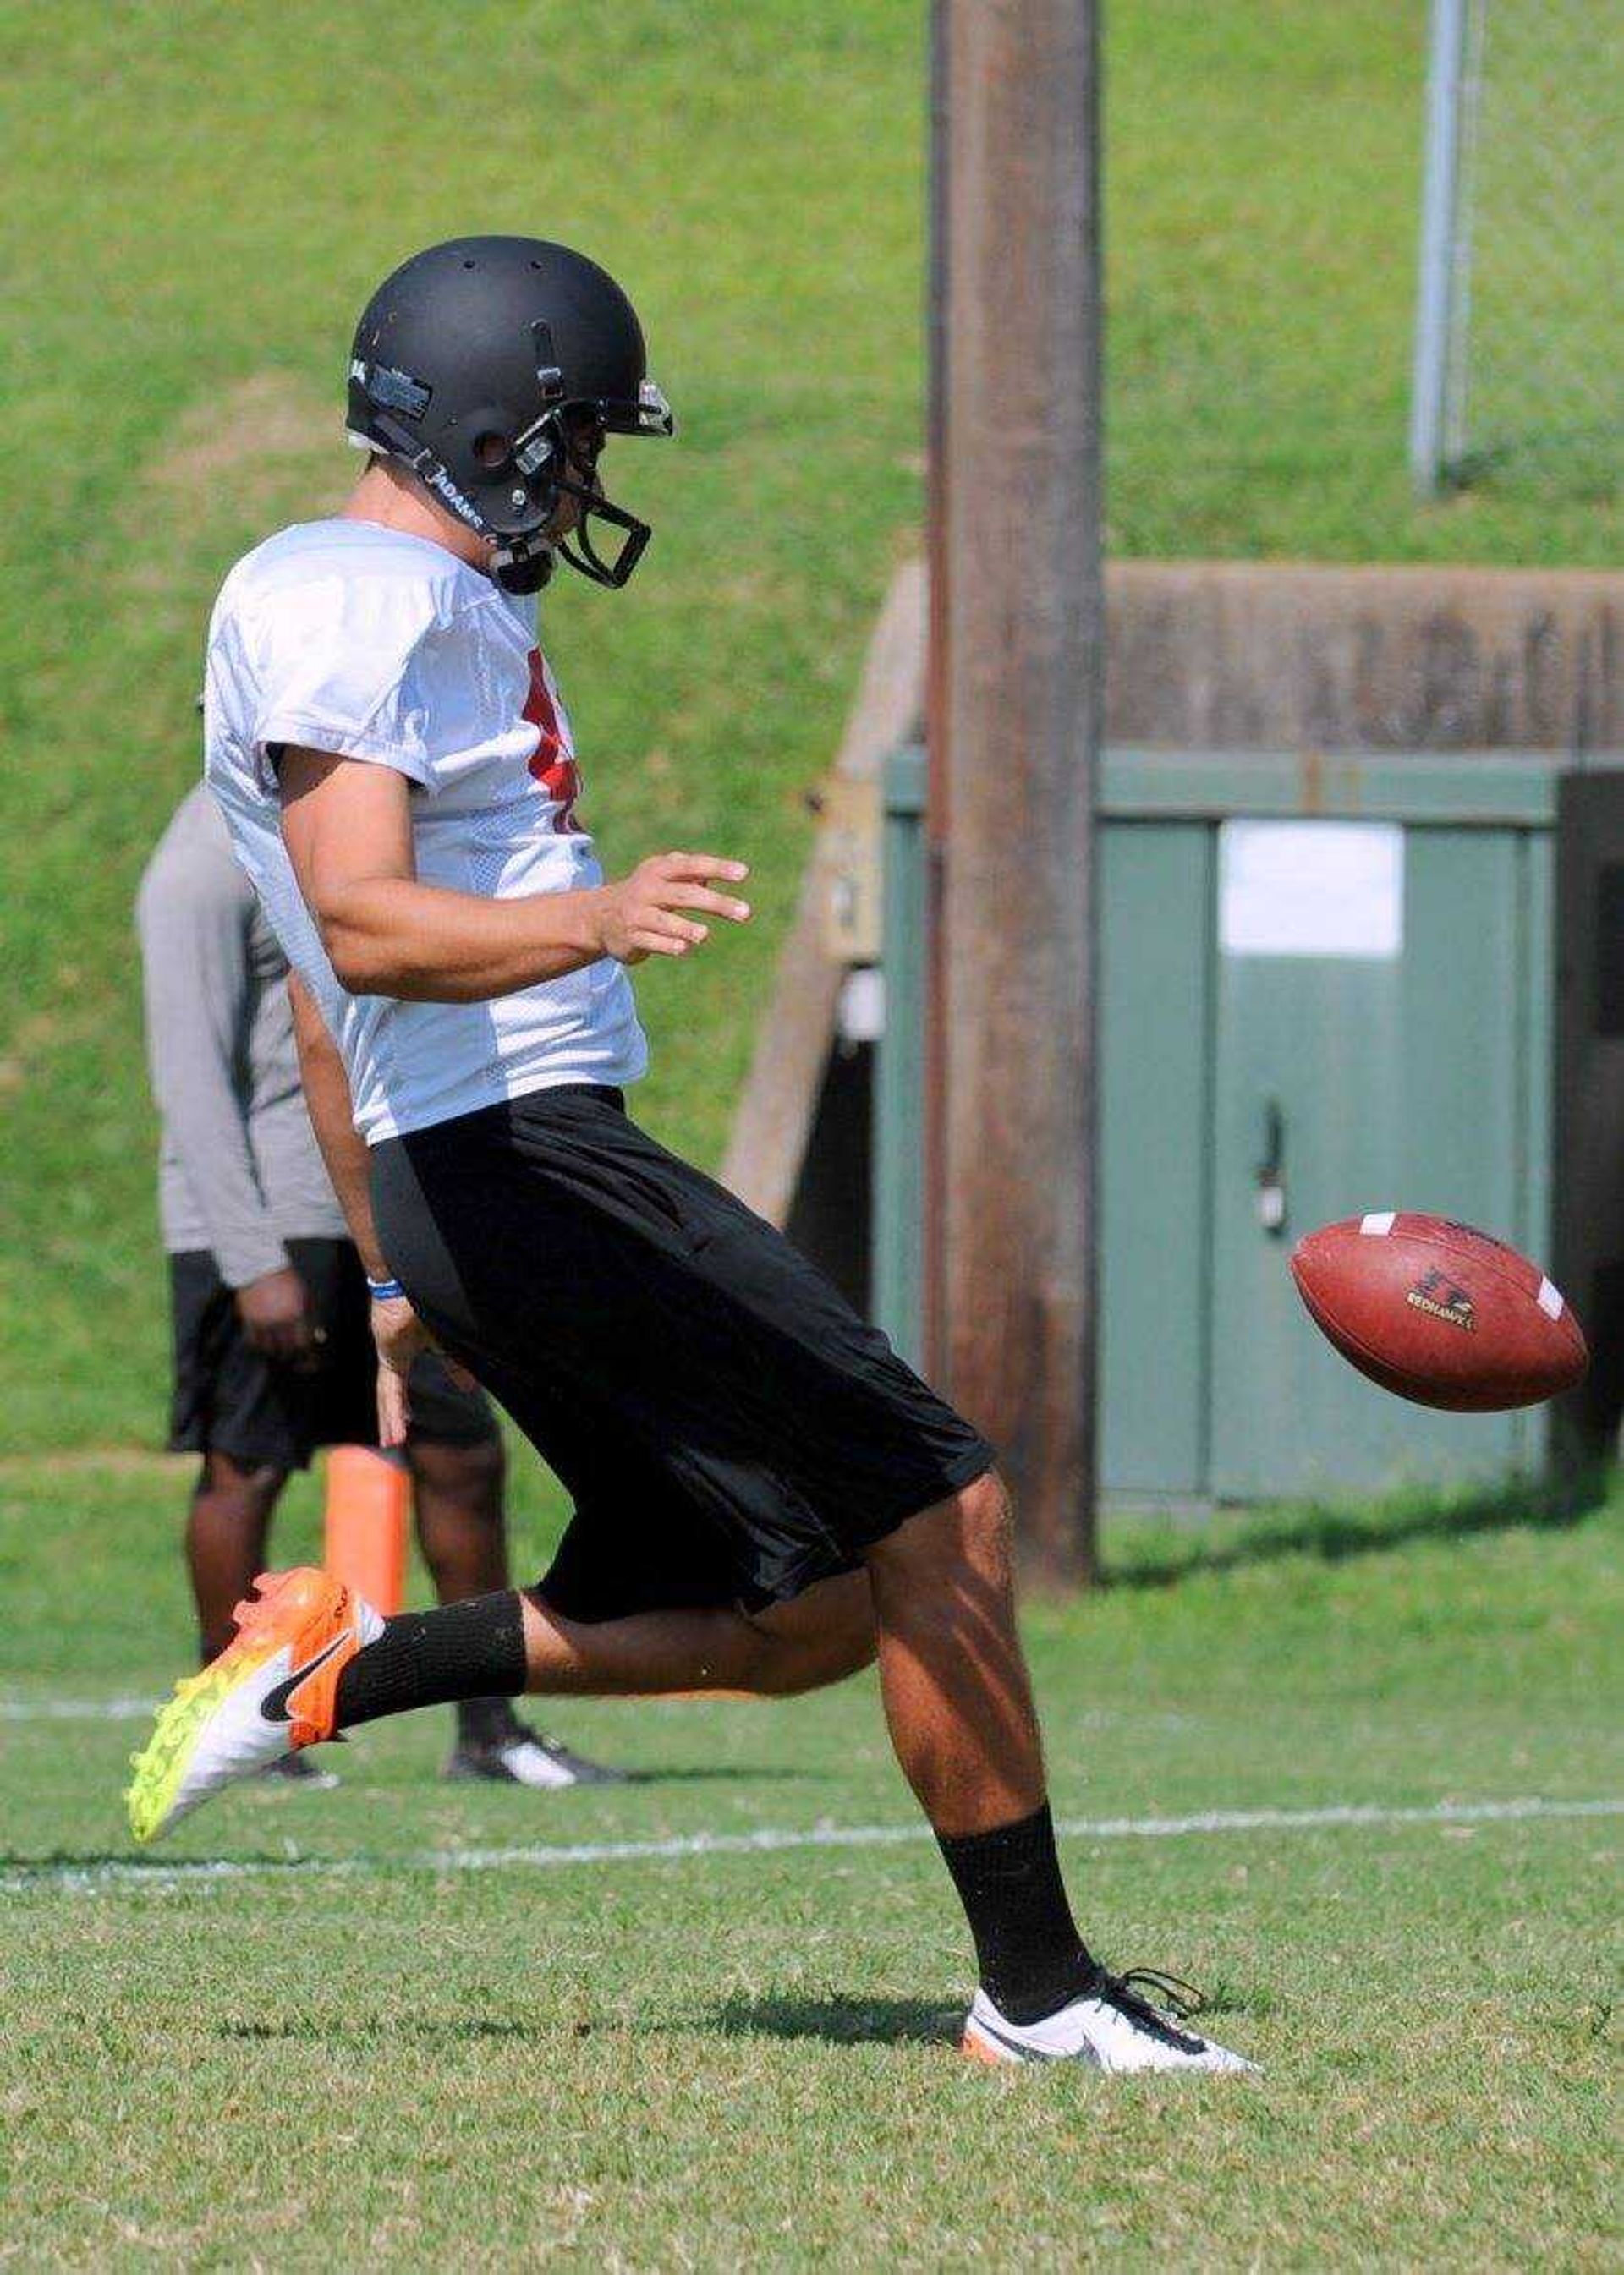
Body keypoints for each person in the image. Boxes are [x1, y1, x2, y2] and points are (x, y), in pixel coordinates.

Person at [127, 235, 1251, 2074]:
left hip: (489, 1165)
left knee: (803, 1609)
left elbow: (339, 1013)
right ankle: (1041, 1998)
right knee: (945, 1506)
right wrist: (602, 918)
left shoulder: (412, 605)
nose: (582, 486)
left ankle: (343, 1668)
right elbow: (367, 933)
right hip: (526, 1156)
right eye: (568, 442)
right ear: (488, 424)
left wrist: (397, 1267)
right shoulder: (354, 593)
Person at [135, 780, 622, 1790]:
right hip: (270, 1223)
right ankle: (233, 1730)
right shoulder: (197, 864)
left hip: (385, 1207)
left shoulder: (335, 837)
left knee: (462, 1455)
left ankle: (490, 1729)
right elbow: (187, 1075)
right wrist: (252, 1259)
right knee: (247, 1468)